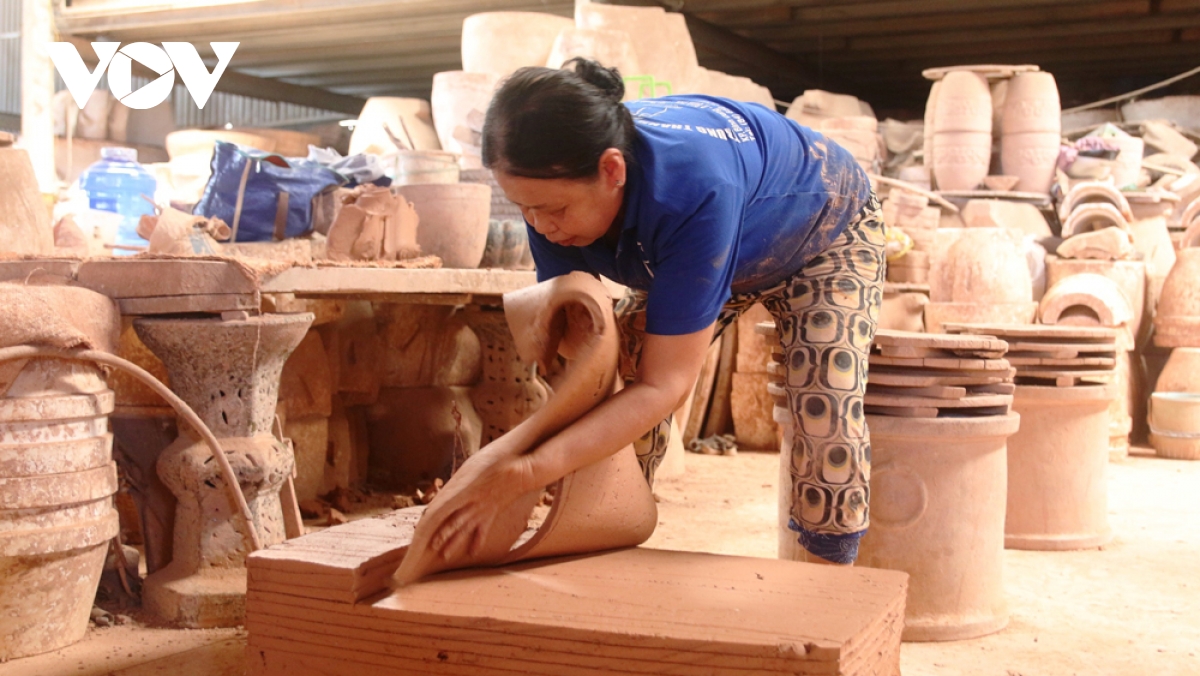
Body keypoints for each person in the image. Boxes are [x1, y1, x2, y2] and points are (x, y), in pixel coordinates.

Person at [418, 58, 884, 566]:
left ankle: (829, 581)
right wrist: (528, 450)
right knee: (621, 373)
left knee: (824, 400)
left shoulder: (693, 188)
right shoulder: (552, 192)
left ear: (612, 170)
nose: (540, 226)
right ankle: (610, 527)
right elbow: (579, 354)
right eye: (523, 208)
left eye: (552, 210)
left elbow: (667, 385)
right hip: (710, 245)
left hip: (824, 228)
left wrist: (529, 470)